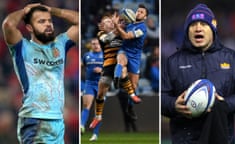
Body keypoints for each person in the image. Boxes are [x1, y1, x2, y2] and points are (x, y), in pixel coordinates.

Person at [162, 4, 235, 144]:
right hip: (185, 139)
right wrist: (174, 105)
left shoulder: (233, 59)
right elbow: (162, 97)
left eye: (203, 24)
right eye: (193, 25)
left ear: (213, 27)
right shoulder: (173, 62)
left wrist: (225, 105)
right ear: (187, 30)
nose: (198, 28)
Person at [2, 3, 79, 144]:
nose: (48, 24)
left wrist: (53, 10)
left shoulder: (61, 44)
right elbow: (8, 25)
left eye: (49, 21)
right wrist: (25, 11)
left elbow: (79, 22)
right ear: (30, 27)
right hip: (34, 118)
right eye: (41, 21)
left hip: (57, 120)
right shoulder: (22, 47)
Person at [89, 14, 140, 129]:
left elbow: (131, 34)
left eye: (111, 21)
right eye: (107, 22)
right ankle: (97, 117)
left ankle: (131, 94)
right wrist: (117, 27)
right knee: (101, 93)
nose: (110, 23)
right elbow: (106, 39)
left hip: (120, 62)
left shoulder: (121, 32)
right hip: (107, 65)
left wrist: (124, 25)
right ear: (101, 26)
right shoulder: (101, 34)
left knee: (123, 69)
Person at [112, 4, 148, 103]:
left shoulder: (142, 28)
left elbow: (127, 36)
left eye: (142, 12)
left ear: (145, 17)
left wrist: (117, 26)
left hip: (135, 56)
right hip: (124, 50)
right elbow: (117, 32)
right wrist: (117, 26)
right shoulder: (129, 24)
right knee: (121, 61)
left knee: (134, 84)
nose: (138, 13)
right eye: (138, 11)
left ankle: (130, 103)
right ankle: (116, 78)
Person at [81, 38, 103, 141]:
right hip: (89, 83)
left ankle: (95, 134)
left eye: (97, 43)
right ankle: (81, 125)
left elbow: (111, 70)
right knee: (86, 106)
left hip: (101, 84)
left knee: (98, 111)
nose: (95, 45)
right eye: (93, 44)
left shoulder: (105, 55)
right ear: (91, 45)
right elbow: (82, 65)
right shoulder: (87, 55)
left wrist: (101, 70)